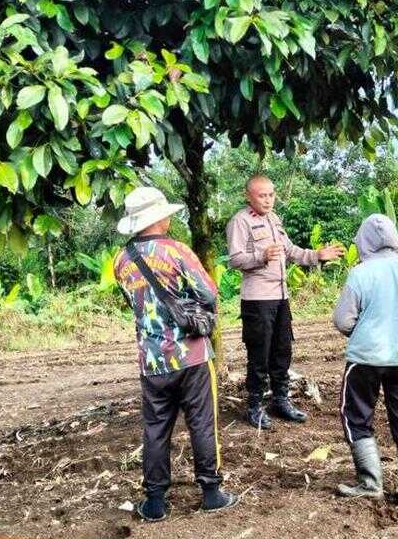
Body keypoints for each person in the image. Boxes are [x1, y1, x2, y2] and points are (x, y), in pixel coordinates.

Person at [113, 186, 238, 521]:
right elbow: (209, 293)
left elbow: (134, 306)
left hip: (151, 360)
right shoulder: (177, 251)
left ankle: (154, 502)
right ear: (159, 218)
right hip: (192, 356)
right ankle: (211, 493)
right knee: (202, 423)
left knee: (155, 429)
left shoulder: (121, 260)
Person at [226, 175, 345, 430]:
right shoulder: (240, 221)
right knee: (259, 354)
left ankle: (281, 400)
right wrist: (261, 256)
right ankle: (255, 406)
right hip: (258, 300)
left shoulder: (274, 219)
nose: (268, 199)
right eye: (262, 195)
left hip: (281, 298)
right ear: (249, 196)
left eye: (271, 194)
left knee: (282, 351)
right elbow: (235, 259)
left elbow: (291, 251)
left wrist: (317, 256)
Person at [331, 214, 398, 507]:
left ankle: (370, 482)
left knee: (357, 415)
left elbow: (342, 320)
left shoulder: (361, 273)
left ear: (364, 241)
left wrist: (363, 330)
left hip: (366, 358)